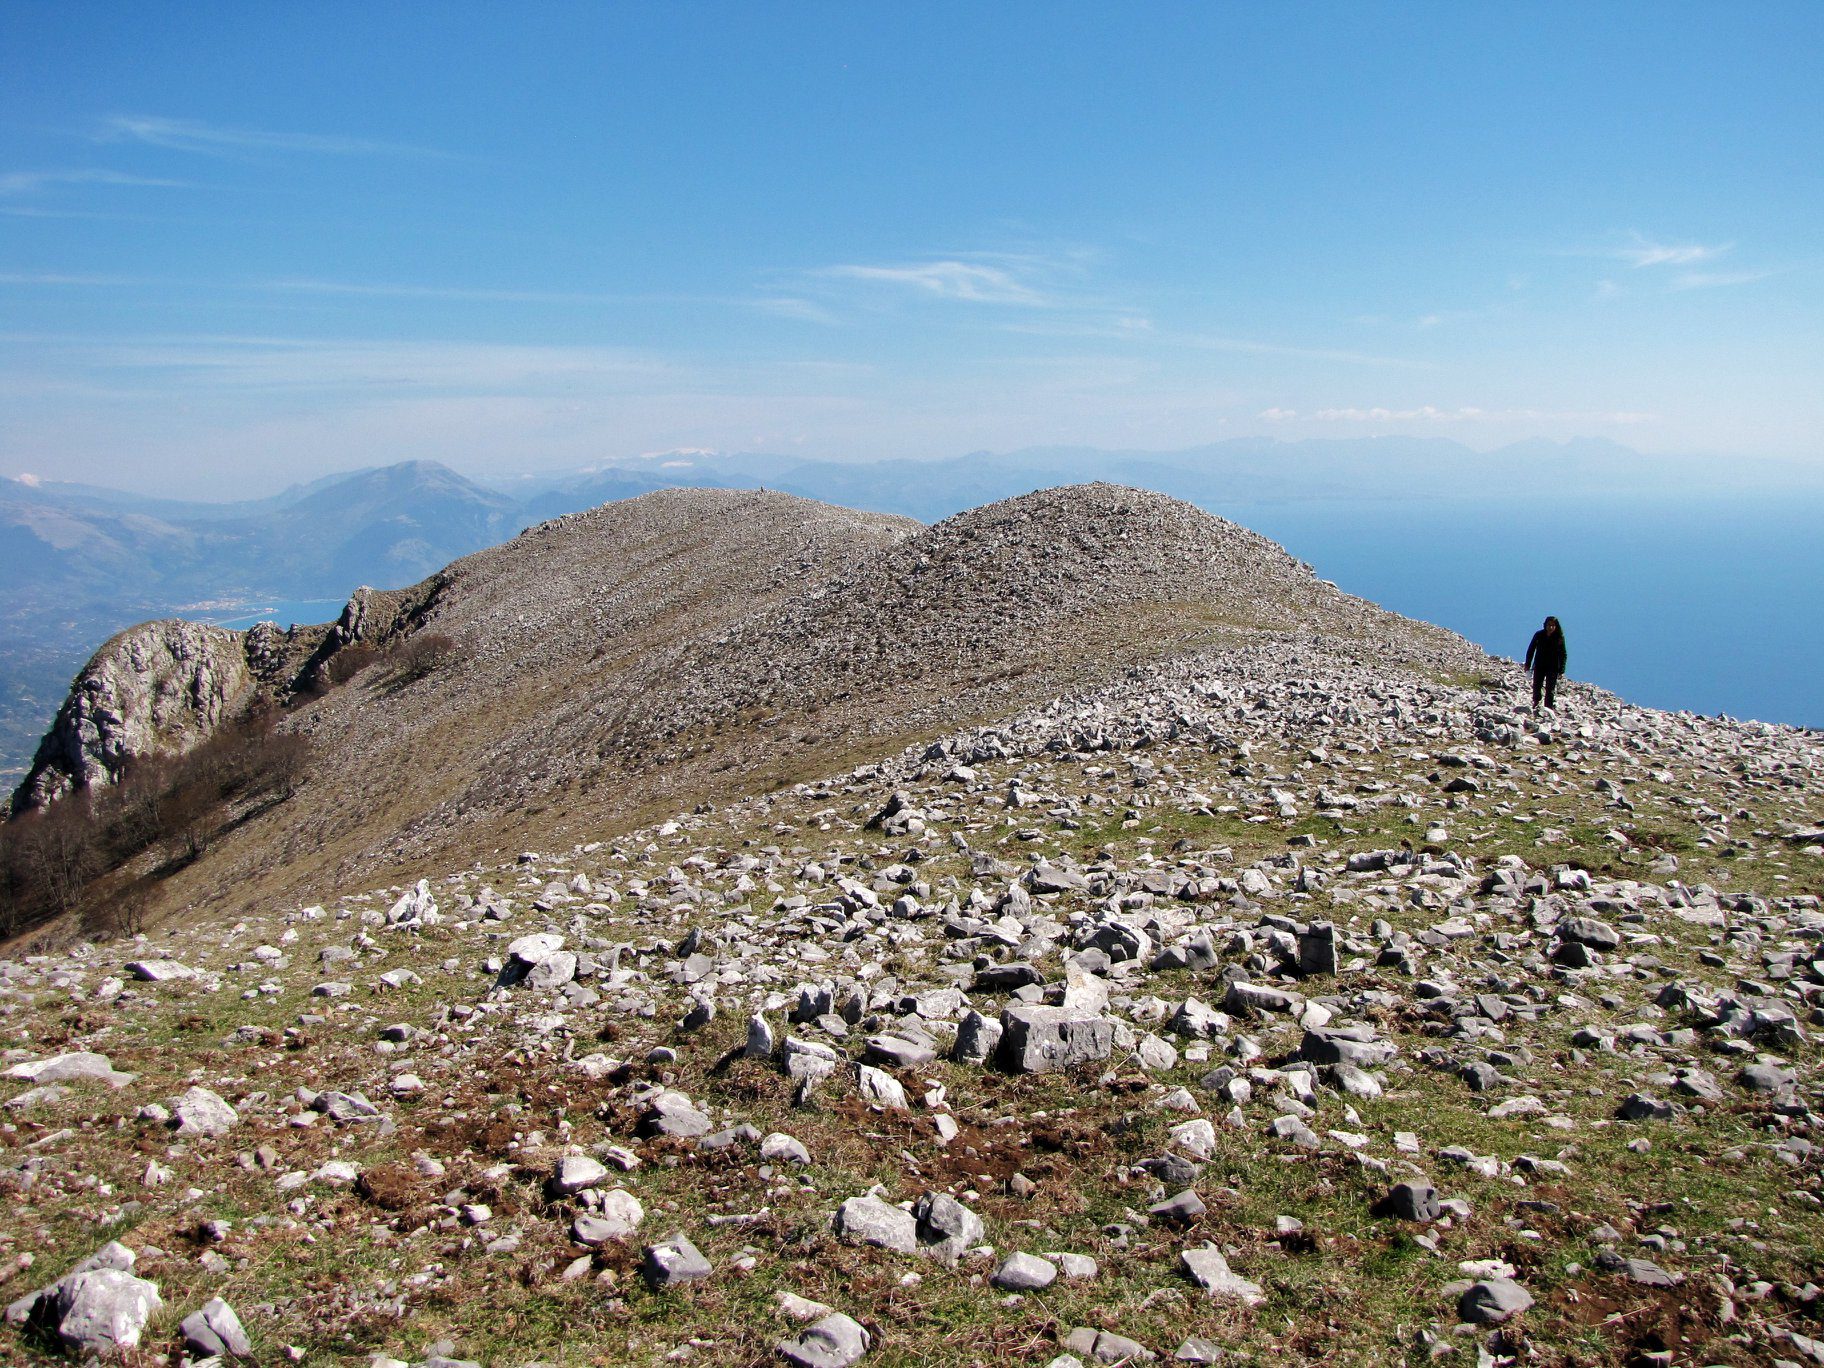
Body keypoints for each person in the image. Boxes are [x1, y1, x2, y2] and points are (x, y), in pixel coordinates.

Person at [1524, 616, 1567, 710]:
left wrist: (1562, 670)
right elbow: (1531, 650)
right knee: (1537, 685)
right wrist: (1528, 664)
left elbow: (1563, 654)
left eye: (1553, 625)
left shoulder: (1559, 637)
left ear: (1556, 626)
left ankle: (1548, 708)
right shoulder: (1539, 635)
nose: (1550, 627)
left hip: (1553, 667)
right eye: (1549, 625)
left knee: (1550, 688)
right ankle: (1536, 702)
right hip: (1539, 665)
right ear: (1545, 625)